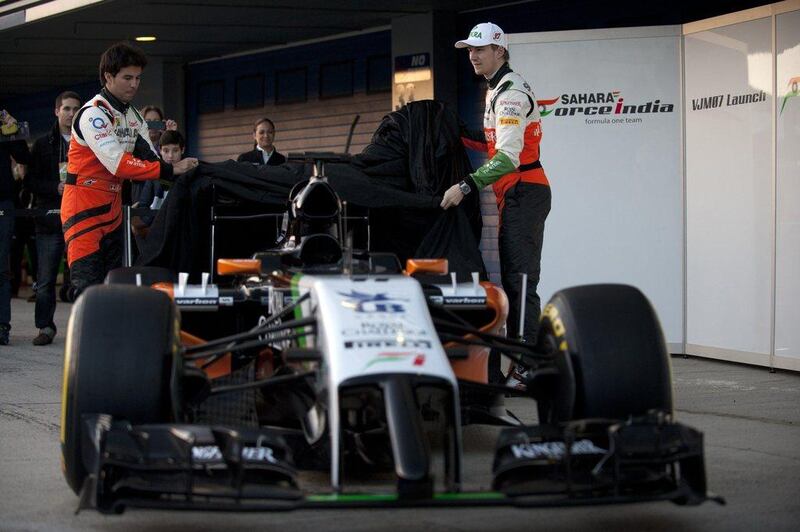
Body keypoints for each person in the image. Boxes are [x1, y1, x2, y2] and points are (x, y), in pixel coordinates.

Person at [442, 22, 551, 385]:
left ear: (500, 51)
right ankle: (524, 363)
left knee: (521, 282)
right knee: (515, 279)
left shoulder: (510, 93)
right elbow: (491, 143)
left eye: (481, 49)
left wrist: (465, 185)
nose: (472, 56)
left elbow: (507, 158)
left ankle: (527, 368)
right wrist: (454, 130)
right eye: (470, 50)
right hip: (515, 194)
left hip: (525, 191)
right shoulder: (496, 89)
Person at [61, 42, 198, 300]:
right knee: (87, 290)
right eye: (127, 78)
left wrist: (180, 174)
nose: (134, 84)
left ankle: (111, 339)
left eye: (137, 78)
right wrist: (171, 170)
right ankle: (85, 340)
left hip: (114, 210)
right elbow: (119, 163)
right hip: (83, 210)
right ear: (108, 77)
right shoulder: (92, 114)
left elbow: (150, 157)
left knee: (113, 287)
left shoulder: (132, 116)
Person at [25, 91, 81, 345]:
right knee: (46, 278)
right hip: (49, 219)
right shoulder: (42, 144)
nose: (71, 114)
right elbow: (30, 181)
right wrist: (54, 188)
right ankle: (45, 327)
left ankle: (84, 327)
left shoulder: (88, 142)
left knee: (82, 277)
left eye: (75, 109)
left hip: (80, 217)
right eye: (67, 109)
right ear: (56, 111)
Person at [0, 110, 31, 345]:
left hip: (3, 202)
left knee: (1, 266)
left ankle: (2, 326)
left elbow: (23, 157)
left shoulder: (3, 121)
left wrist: (15, 130)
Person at [131, 129, 184, 250]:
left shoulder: (188, 175)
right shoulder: (153, 176)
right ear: (160, 151)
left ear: (182, 150)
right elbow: (144, 206)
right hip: (155, 229)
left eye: (175, 150)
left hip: (180, 230)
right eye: (166, 151)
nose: (170, 156)